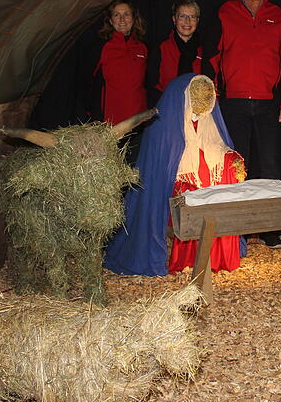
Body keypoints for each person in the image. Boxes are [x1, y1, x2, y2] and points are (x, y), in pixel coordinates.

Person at [104, 74, 243, 276]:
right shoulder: (162, 128)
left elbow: (218, 145)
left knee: (227, 174)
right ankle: (188, 255)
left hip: (203, 178)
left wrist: (231, 159)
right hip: (180, 180)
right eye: (197, 98)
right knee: (190, 191)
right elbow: (162, 167)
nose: (202, 105)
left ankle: (219, 252)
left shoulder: (208, 122)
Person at [209, 0, 281, 249]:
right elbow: (214, 57)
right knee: (238, 166)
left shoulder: (279, 15)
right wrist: (212, 100)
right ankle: (240, 231)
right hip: (233, 102)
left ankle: (270, 229)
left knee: (270, 165)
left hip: (267, 102)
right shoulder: (225, 11)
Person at [90, 0, 148, 126]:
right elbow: (93, 85)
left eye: (126, 14)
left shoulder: (142, 47)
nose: (122, 19)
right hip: (111, 122)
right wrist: (96, 117)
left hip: (138, 121)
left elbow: (147, 84)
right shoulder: (102, 47)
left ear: (133, 18)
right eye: (117, 15)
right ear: (110, 20)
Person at [146, 0, 210, 107]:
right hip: (166, 107)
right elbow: (152, 84)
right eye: (182, 16)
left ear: (198, 21)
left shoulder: (205, 51)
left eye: (192, 17)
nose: (187, 21)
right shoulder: (161, 48)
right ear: (174, 19)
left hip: (197, 111)